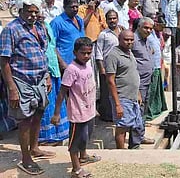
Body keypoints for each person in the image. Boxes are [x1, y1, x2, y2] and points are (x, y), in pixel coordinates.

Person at [0, 0, 54, 175]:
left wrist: (46, 75)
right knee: (25, 120)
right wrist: (12, 88)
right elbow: (4, 61)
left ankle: (35, 147)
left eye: (35, 12)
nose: (32, 15)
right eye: (29, 11)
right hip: (22, 81)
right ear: (20, 11)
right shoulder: (11, 29)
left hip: (39, 79)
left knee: (38, 113)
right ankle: (26, 159)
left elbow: (42, 53)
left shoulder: (38, 27)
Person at [51, 37, 101, 178]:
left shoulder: (88, 65)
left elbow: (90, 86)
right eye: (83, 53)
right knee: (75, 141)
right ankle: (76, 169)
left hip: (89, 110)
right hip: (78, 112)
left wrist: (94, 107)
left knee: (86, 136)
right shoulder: (72, 70)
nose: (86, 56)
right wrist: (56, 114)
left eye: (89, 53)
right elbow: (62, 93)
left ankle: (83, 156)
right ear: (75, 53)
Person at [105, 30, 144, 149]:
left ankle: (132, 149)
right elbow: (110, 81)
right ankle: (121, 153)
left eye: (131, 39)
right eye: (126, 40)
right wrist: (117, 104)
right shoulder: (113, 55)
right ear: (119, 39)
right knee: (122, 127)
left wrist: (137, 93)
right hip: (122, 97)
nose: (129, 42)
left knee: (134, 125)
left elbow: (133, 72)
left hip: (132, 97)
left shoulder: (129, 53)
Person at [38, 12, 69, 145]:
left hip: (54, 68)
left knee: (57, 101)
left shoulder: (47, 26)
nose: (39, 15)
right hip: (44, 72)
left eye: (39, 12)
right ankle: (45, 137)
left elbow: (52, 46)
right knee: (46, 104)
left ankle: (58, 134)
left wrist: (61, 63)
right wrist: (46, 73)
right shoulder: (33, 30)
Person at [96, 10, 124, 122]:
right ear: (106, 20)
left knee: (119, 91)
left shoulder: (122, 31)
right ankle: (108, 116)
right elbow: (98, 52)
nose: (112, 21)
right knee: (107, 93)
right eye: (110, 19)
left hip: (121, 67)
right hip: (108, 67)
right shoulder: (103, 34)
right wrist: (101, 69)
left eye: (114, 18)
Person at [131, 18, 156, 145]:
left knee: (143, 110)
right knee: (138, 110)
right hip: (138, 83)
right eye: (146, 28)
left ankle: (140, 135)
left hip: (147, 80)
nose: (149, 30)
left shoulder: (146, 40)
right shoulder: (133, 40)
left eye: (151, 29)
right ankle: (135, 141)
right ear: (139, 27)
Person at [51, 0, 86, 71]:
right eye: (72, 7)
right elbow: (51, 45)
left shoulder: (79, 20)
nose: (75, 9)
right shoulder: (57, 22)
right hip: (66, 63)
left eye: (77, 7)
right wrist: (61, 63)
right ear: (64, 7)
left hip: (80, 62)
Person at [145, 14, 167, 121]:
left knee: (157, 89)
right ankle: (148, 111)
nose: (163, 27)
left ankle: (156, 109)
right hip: (152, 66)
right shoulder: (149, 36)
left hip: (158, 64)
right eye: (161, 25)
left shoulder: (157, 34)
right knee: (151, 90)